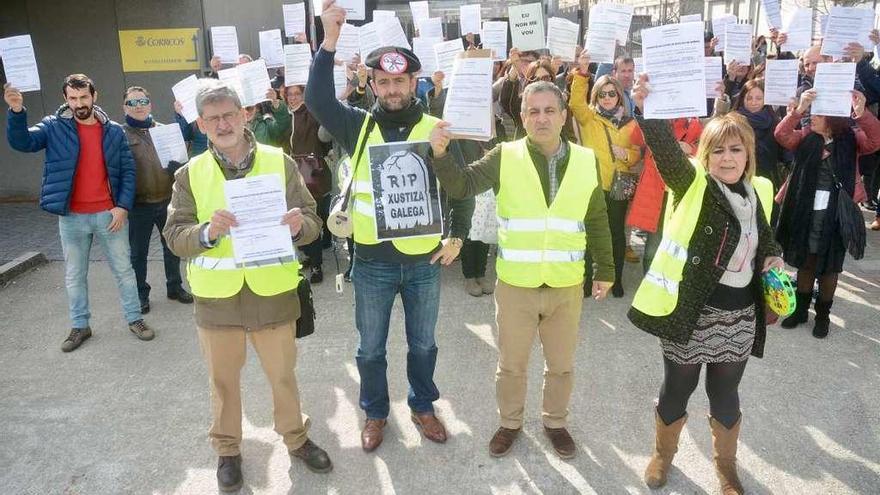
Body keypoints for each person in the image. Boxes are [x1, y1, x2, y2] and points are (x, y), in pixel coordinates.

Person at [306, 1, 474, 452]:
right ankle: (375, 413)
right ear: (374, 84)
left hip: (424, 261)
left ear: (414, 80)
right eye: (384, 81)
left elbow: (462, 187)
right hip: (374, 262)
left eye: (400, 80)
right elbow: (316, 100)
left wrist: (457, 235)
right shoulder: (356, 126)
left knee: (423, 344)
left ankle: (422, 405)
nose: (393, 88)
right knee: (371, 349)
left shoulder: (437, 127)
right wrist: (330, 40)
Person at [429, 80, 615, 459]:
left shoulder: (584, 160)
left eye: (550, 110)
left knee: (561, 366)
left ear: (564, 116)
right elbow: (462, 186)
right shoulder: (504, 156)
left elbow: (596, 217)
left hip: (565, 284)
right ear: (522, 117)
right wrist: (442, 154)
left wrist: (606, 268)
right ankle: (510, 422)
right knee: (512, 365)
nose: (542, 118)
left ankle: (555, 422)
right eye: (533, 111)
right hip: (516, 284)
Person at [163, 79, 332, 491]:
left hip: (272, 291)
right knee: (222, 382)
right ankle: (227, 450)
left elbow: (314, 223)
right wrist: (205, 232)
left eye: (229, 115)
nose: (223, 124)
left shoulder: (279, 161)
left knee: (282, 375)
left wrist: (298, 228)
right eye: (213, 118)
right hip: (217, 300)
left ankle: (296, 438)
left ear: (244, 115)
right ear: (202, 125)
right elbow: (174, 235)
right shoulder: (190, 174)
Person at [629, 75, 785, 495]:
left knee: (725, 395)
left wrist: (772, 258)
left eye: (736, 149)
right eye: (718, 150)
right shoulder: (693, 183)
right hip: (689, 315)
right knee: (676, 391)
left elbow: (765, 236)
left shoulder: (760, 191)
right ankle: (663, 456)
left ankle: (726, 468)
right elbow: (664, 153)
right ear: (706, 153)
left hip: (738, 317)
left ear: (748, 154)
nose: (728, 157)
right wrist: (646, 109)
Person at [4, 75, 154, 351]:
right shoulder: (53, 127)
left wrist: (122, 206)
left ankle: (135, 319)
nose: (79, 103)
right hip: (71, 217)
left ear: (94, 96)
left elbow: (128, 170)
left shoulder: (113, 131)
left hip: (109, 216)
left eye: (84, 97)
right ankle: (80, 325)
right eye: (73, 98)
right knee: (74, 274)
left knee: (124, 270)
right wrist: (16, 112)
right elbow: (23, 142)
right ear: (66, 99)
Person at [774, 88, 880, 338]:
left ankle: (822, 316)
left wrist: (862, 113)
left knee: (831, 266)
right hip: (806, 209)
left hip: (836, 214)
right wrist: (798, 110)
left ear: (833, 119)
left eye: (818, 114)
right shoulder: (806, 136)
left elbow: (876, 140)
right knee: (806, 261)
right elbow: (781, 134)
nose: (813, 117)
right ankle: (800, 311)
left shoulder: (850, 139)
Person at [570, 52, 642, 297]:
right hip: (594, 184)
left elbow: (637, 153)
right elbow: (575, 103)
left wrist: (626, 154)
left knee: (616, 235)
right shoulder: (589, 117)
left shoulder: (630, 123)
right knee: (591, 233)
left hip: (618, 185)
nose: (608, 98)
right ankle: (589, 279)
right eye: (603, 94)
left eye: (612, 93)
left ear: (619, 96)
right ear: (596, 96)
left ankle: (615, 278)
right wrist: (581, 72)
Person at [121, 86, 193, 314]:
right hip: (138, 205)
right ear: (125, 107)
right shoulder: (120, 135)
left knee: (171, 247)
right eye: (132, 103)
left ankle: (175, 286)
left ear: (150, 105)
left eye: (142, 101)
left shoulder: (165, 131)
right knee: (138, 253)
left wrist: (177, 168)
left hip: (166, 200)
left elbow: (181, 165)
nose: (138, 106)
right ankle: (141, 294)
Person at [283, 84, 333, 282]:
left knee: (312, 216)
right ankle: (309, 256)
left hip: (313, 171)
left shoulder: (310, 113)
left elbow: (323, 133)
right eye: (290, 94)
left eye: (298, 93)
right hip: (292, 172)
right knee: (297, 216)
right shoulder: (285, 116)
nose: (294, 98)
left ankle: (317, 265)